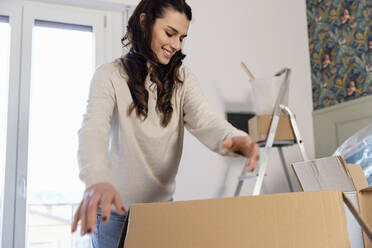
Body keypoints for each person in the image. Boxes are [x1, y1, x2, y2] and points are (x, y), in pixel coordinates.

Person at [71, 0, 260, 247]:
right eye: (170, 33)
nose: (176, 44)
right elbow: (93, 130)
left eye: (181, 37)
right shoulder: (109, 75)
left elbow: (206, 120)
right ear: (144, 22)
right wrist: (96, 180)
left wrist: (237, 140)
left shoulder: (183, 80)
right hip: (113, 214)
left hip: (161, 211)